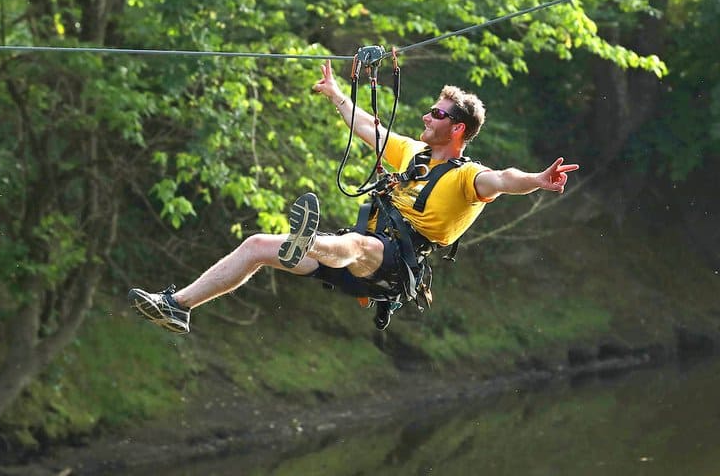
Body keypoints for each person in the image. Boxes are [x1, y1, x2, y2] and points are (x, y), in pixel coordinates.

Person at [129, 59, 579, 333]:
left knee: (360, 245)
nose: (427, 114)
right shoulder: (414, 153)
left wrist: (538, 180)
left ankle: (308, 243)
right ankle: (178, 306)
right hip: (357, 258)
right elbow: (370, 128)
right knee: (258, 246)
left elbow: (505, 177)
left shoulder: (469, 178)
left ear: (457, 128)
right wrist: (336, 94)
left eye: (437, 113)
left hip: (393, 269)